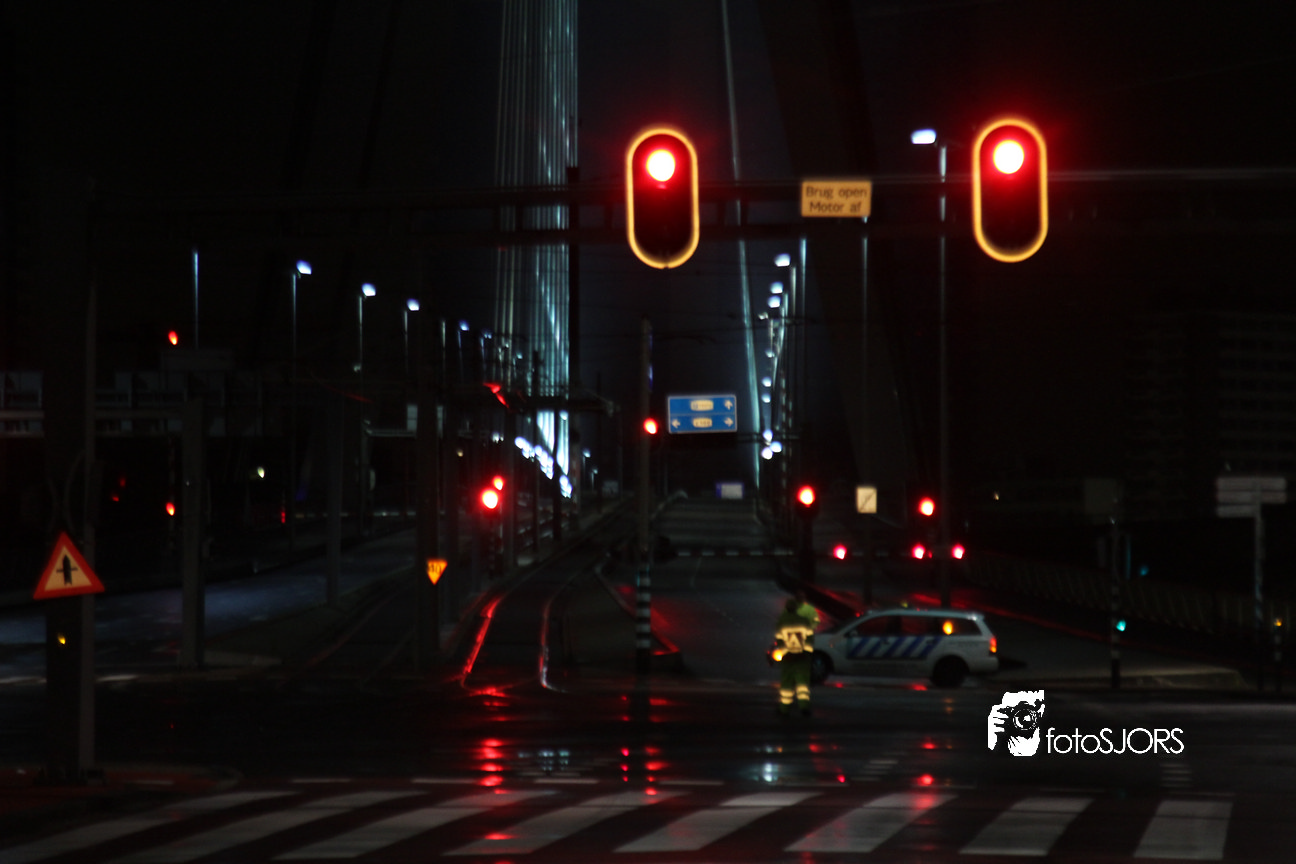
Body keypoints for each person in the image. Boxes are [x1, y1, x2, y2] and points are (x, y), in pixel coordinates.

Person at [774, 596, 816, 715]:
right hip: (802, 658)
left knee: (787, 684)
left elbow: (779, 641)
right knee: (803, 684)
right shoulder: (804, 621)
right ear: (796, 608)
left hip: (788, 659)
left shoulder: (781, 622)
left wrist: (785, 653)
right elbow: (809, 640)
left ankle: (784, 709)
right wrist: (805, 653)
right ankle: (804, 707)